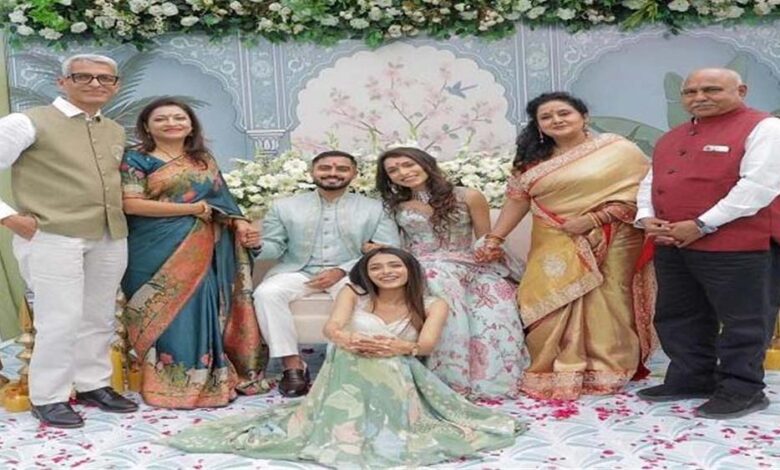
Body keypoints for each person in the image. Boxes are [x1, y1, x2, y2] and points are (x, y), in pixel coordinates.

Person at [166, 247, 524, 467]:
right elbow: (332, 328)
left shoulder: (433, 303)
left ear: (409, 270)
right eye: (377, 268)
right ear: (366, 274)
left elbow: (426, 345)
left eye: (394, 266)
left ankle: (387, 426)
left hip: (399, 369)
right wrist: (349, 338)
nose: (386, 272)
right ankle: (346, 427)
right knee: (351, 352)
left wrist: (397, 347)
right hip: (349, 361)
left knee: (384, 358)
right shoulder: (354, 293)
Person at [476, 91, 656, 400]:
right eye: (546, 117)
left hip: (612, 236)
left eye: (564, 113)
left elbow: (645, 194)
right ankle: (552, 366)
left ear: (583, 117)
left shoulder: (618, 149)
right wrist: (495, 237)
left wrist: (594, 219)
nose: (556, 120)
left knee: (607, 298)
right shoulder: (531, 162)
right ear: (538, 126)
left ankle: (606, 366)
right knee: (548, 295)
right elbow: (517, 201)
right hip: (553, 237)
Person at [0, 54, 138, 428]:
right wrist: (9, 218)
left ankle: (93, 384)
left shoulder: (113, 129)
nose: (95, 84)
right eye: (83, 76)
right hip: (52, 235)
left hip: (109, 235)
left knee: (99, 315)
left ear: (116, 86)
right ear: (63, 82)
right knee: (59, 318)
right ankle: (49, 397)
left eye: (105, 79)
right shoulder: (28, 122)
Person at [635, 68, 780, 419]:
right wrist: (645, 216)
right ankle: (691, 378)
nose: (699, 97)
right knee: (678, 315)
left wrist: (702, 224)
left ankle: (742, 390)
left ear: (741, 90)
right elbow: (651, 181)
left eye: (712, 89)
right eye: (690, 92)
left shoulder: (765, 128)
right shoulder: (672, 136)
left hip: (739, 245)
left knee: (743, 321)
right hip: (674, 242)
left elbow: (758, 187)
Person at [120, 98, 266, 409]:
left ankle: (203, 380)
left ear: (190, 126)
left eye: (179, 118)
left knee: (197, 309)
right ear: (147, 126)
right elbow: (131, 204)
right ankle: (161, 384)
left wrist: (241, 224)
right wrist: (192, 209)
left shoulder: (202, 160)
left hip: (199, 248)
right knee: (156, 311)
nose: (171, 123)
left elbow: (224, 201)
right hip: (150, 247)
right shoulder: (136, 158)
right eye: (161, 119)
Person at [375, 147, 529, 398]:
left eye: (408, 164)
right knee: (435, 277)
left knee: (491, 296)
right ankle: (444, 378)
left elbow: (485, 239)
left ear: (426, 163)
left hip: (465, 263)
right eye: (393, 170)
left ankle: (475, 377)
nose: (403, 172)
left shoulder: (469, 196)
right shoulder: (395, 207)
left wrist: (489, 252)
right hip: (420, 265)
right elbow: (398, 246)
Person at [253, 150, 400, 397]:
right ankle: (292, 366)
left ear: (354, 173)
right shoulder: (284, 206)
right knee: (267, 293)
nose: (333, 173)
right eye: (325, 168)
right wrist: (256, 245)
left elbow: (388, 248)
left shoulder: (375, 208)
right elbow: (274, 247)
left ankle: (344, 366)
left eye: (342, 168)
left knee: (357, 297)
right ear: (312, 172)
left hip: (351, 271)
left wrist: (342, 270)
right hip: (298, 270)